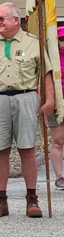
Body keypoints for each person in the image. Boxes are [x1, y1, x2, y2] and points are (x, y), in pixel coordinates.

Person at [0, 2, 54, 218]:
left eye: (1, 18)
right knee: (0, 150)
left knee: (27, 149)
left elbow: (46, 73)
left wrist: (49, 100)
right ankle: (0, 199)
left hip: (26, 97)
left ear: (16, 20)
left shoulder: (33, 43)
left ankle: (32, 198)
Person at [49, 26, 64, 188]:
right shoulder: (52, 59)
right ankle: (59, 176)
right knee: (58, 141)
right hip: (58, 101)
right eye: (61, 39)